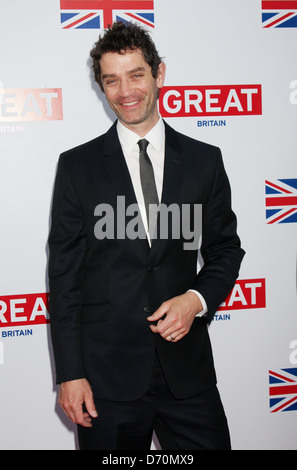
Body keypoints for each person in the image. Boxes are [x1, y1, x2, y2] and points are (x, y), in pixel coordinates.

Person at [48, 21, 245, 450]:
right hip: (104, 380)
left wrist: (196, 300)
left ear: (159, 74)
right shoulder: (77, 167)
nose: (126, 91)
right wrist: (69, 372)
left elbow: (226, 249)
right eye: (111, 80)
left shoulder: (203, 160)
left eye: (136, 75)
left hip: (187, 375)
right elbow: (64, 279)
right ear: (101, 87)